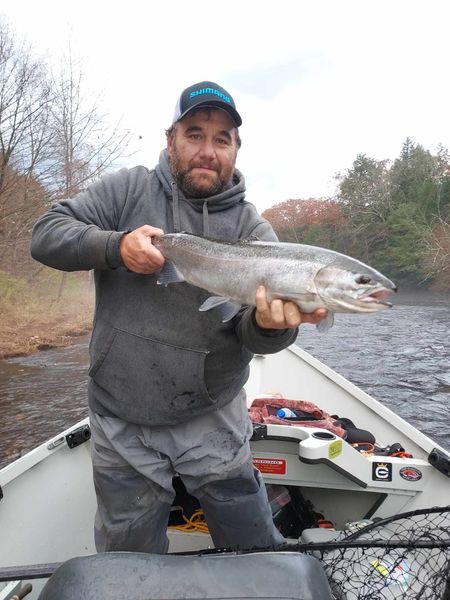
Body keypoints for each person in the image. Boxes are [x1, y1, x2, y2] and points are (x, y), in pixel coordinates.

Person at [31, 81, 327, 554]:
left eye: (222, 139)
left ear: (235, 150)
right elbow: (46, 235)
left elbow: (257, 336)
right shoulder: (126, 190)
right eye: (194, 134)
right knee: (127, 554)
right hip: (120, 414)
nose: (207, 150)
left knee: (251, 543)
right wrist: (115, 246)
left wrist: (273, 326)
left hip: (213, 413)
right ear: (170, 141)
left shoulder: (254, 231)